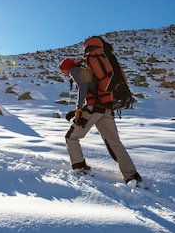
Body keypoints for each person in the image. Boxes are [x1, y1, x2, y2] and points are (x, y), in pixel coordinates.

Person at [59, 57, 143, 186]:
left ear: (66, 68)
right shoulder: (87, 70)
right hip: (106, 109)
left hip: (93, 110)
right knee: (115, 143)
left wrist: (79, 109)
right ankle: (131, 176)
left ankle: (80, 167)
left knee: (71, 137)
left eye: (63, 71)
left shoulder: (74, 71)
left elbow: (82, 87)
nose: (64, 74)